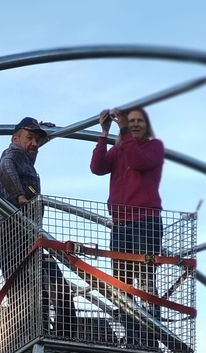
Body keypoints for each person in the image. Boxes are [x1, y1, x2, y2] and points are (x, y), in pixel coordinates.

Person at [0, 117, 77, 341]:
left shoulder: (26, 159)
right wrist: (19, 194)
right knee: (27, 289)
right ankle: (36, 335)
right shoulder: (12, 155)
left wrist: (44, 131)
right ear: (15, 138)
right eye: (29, 138)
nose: (34, 144)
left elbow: (29, 155)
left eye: (37, 141)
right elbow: (5, 168)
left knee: (50, 284)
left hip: (28, 234)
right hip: (12, 233)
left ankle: (55, 334)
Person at [90, 106, 164, 331]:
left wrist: (123, 128)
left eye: (139, 120)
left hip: (145, 219)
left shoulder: (153, 147)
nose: (134, 124)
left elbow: (138, 162)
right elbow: (97, 167)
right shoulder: (120, 149)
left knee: (145, 279)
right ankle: (131, 333)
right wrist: (104, 134)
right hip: (121, 222)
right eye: (130, 121)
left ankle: (151, 335)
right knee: (122, 282)